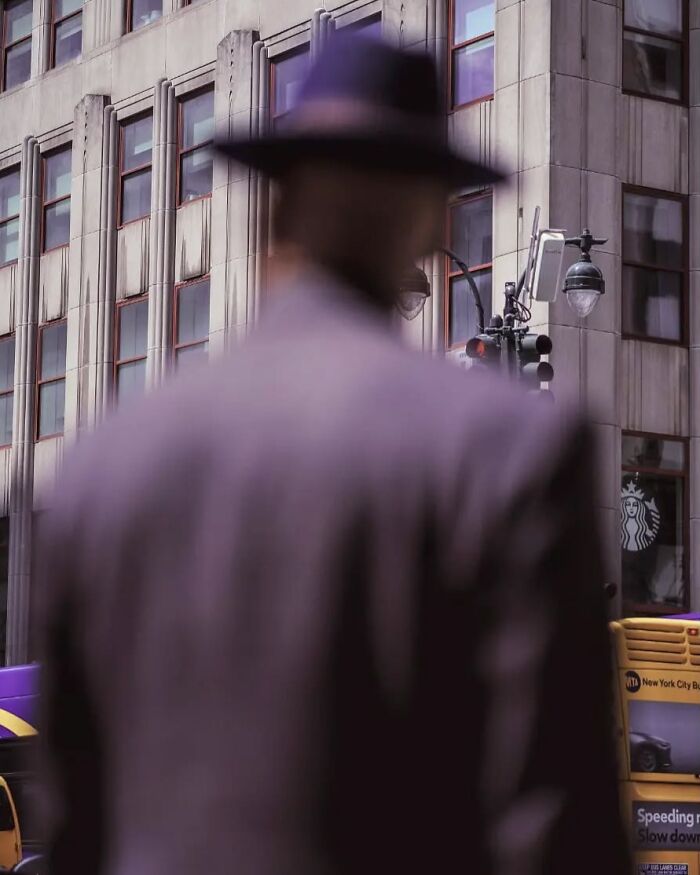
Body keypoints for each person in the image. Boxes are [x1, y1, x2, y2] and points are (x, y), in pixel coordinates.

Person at [36, 34, 630, 875]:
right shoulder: (507, 448)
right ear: (427, 214)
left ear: (275, 205)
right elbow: (555, 823)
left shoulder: (110, 460)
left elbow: (74, 819)